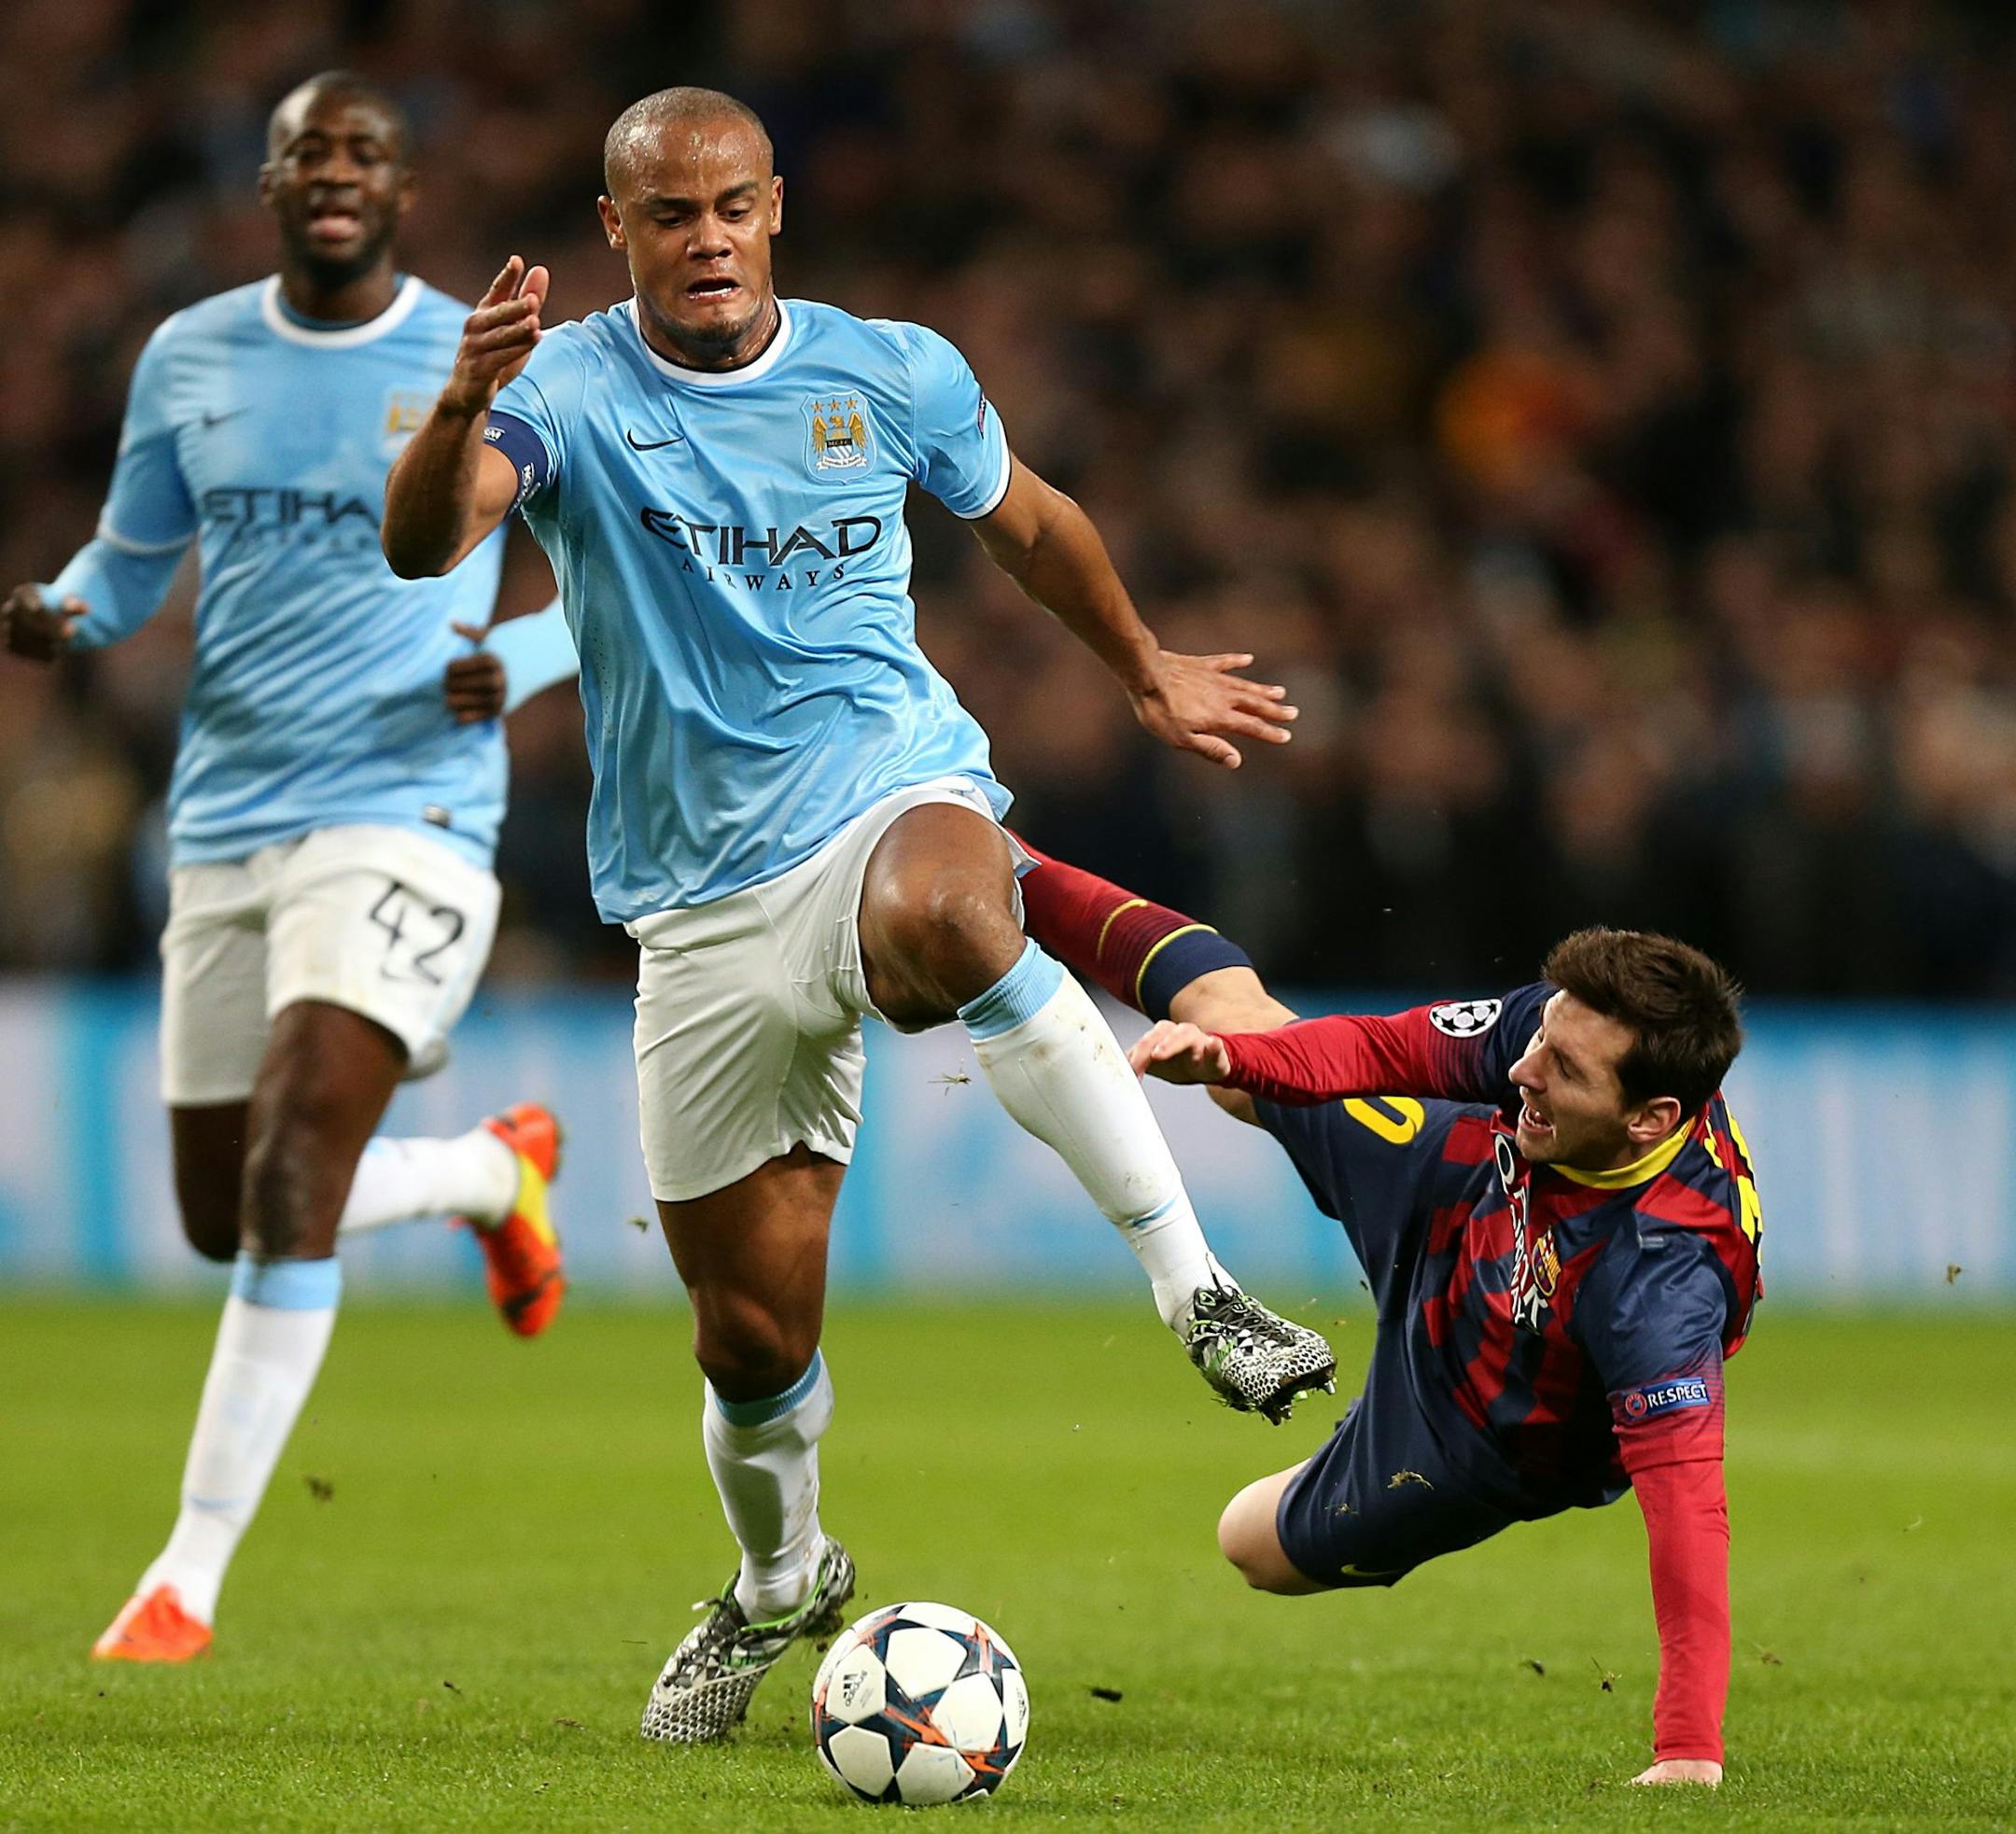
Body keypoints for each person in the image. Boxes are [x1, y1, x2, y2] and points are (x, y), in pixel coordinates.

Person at [379, 84, 1337, 1742]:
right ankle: (781, 1582)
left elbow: (1032, 527)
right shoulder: (567, 391)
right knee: (752, 1345)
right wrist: (461, 403)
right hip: (697, 907)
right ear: (617, 232)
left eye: (733, 207)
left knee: (969, 908)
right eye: (669, 216)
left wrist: (1146, 668)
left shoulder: (891, 369)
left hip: (887, 794)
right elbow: (420, 547)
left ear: (774, 211)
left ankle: (1198, 1291)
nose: (707, 241)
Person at [0, 72, 580, 1665]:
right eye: (308, 148)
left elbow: (619, 582)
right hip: (227, 819)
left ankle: (182, 1576)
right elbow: (128, 563)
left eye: (366, 151)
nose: (335, 171)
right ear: (268, 182)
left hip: (408, 810)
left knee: (288, 1175)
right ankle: (487, 1175)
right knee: (221, 1212)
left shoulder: (486, 355)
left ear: (402, 187)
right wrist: (58, 609)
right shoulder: (191, 354)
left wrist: (519, 665)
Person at [1015, 847, 1759, 1787]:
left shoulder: (1657, 1288)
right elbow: (1382, 1049)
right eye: (1539, 1039)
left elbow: (1688, 1513)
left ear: (1650, 1121)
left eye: (1562, 1068)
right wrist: (1239, 1057)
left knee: (1251, 1544)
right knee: (1245, 1057)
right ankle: (1006, 865)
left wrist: (1687, 1749)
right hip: (1461, 1191)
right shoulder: (1555, 1035)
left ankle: (1355, 1448)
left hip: (1471, 1421)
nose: (1524, 1065)